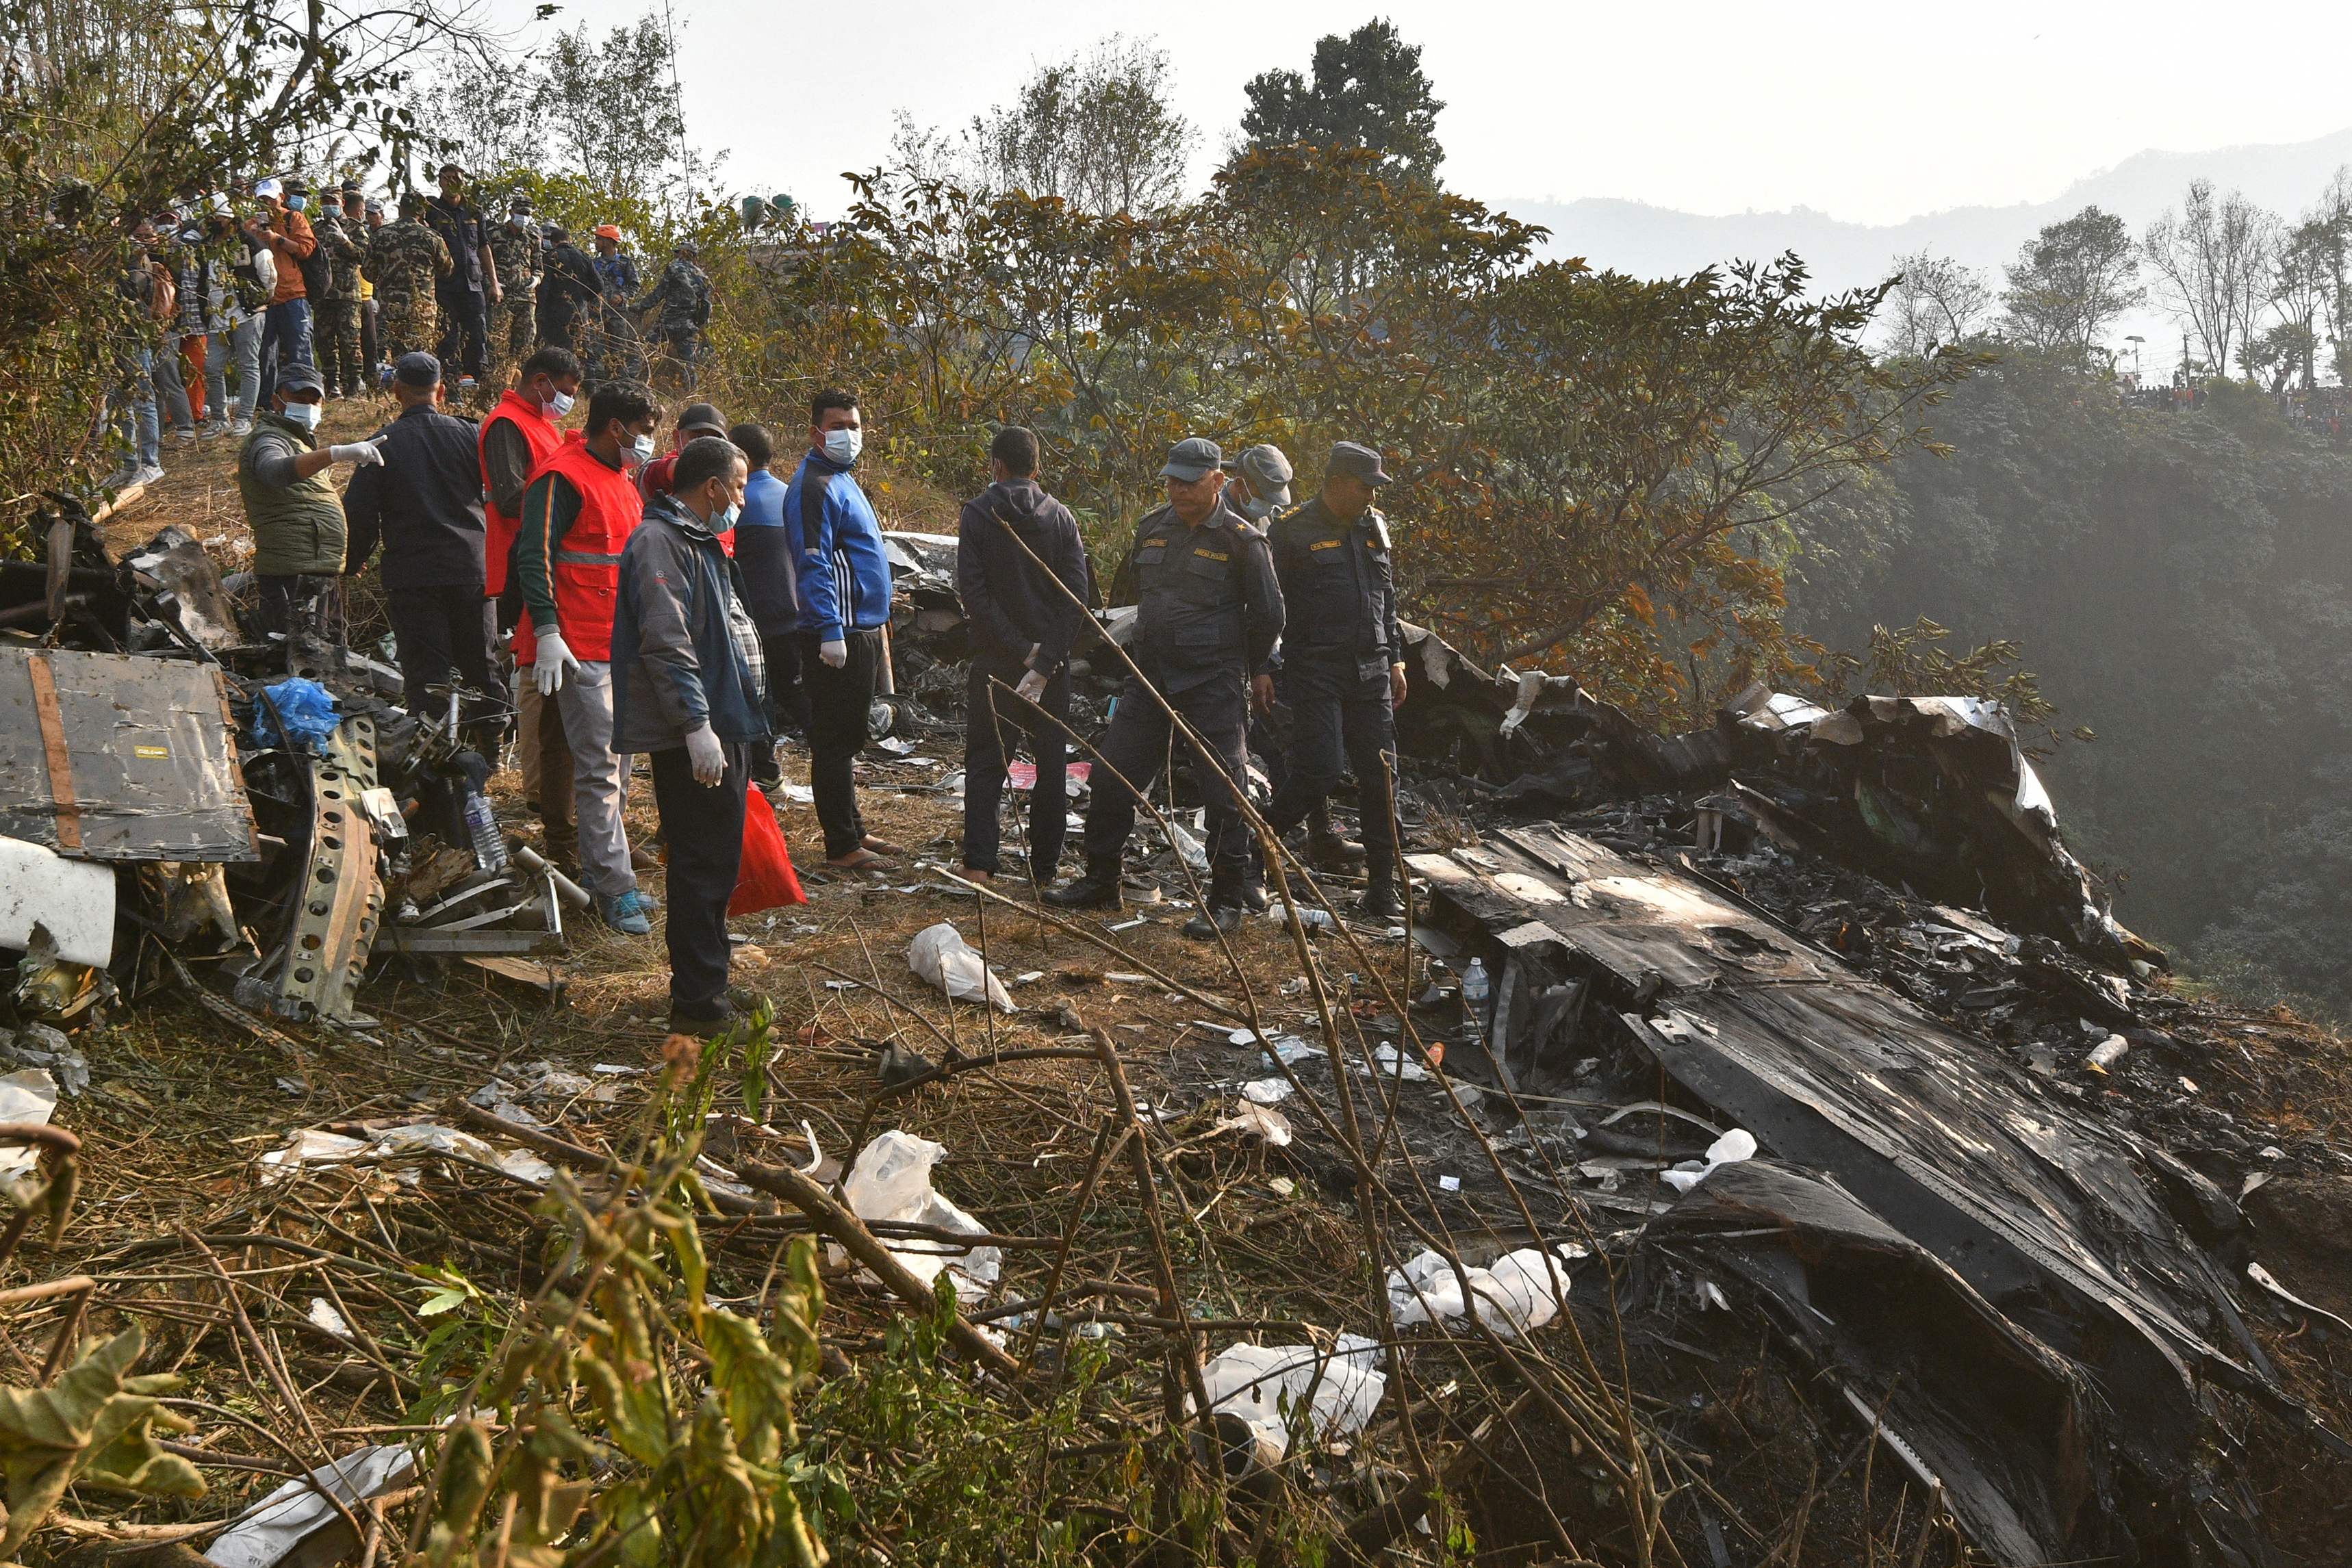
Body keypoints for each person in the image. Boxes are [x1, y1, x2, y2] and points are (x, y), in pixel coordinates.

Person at [1045, 437, 1283, 938]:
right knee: (1112, 780)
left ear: (1217, 481)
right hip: (1150, 681)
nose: (1176, 490)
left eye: (1188, 482)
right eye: (1171, 480)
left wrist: (1251, 665)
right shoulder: (1152, 528)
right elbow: (1135, 597)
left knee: (1225, 794)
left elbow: (1269, 615)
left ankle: (1225, 902)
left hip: (1212, 684)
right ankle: (1101, 880)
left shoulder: (1243, 541)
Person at [612, 435, 767, 1037]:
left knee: (717, 862)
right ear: (713, 488)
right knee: (701, 864)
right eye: (741, 483)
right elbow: (666, 641)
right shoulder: (660, 541)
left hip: (725, 722)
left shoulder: (698, 539)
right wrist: (696, 725)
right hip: (696, 735)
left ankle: (711, 979)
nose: (744, 497)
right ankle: (699, 1005)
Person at [514, 381, 662, 934]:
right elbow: (535, 555)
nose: (646, 443)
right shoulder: (561, 476)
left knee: (620, 769)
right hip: (578, 648)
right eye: (643, 432)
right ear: (615, 427)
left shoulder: (621, 480)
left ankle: (611, 871)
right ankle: (612, 888)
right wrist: (548, 631)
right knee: (599, 769)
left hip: (617, 645)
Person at [1260, 443, 1407, 918]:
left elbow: (1386, 594)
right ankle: (1255, 845)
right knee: (1320, 769)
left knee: (1381, 776)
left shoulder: (1371, 526)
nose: (1371, 495)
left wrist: (1397, 660)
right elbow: (1266, 604)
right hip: (1315, 668)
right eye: (1365, 486)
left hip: (1371, 670)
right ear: (1338, 481)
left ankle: (1383, 889)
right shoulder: (1291, 531)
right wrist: (1261, 664)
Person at [342, 352, 502, 742]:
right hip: (471, 568)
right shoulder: (472, 435)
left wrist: (350, 565)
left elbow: (359, 515)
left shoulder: (381, 445)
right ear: (441, 392)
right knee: (482, 665)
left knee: (426, 671)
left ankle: (429, 755)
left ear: (396, 391)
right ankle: (490, 748)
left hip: (414, 574)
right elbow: (503, 498)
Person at [956, 425, 1091, 886]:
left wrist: (1019, 650)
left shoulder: (977, 515)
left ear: (997, 465)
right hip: (1051, 671)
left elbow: (974, 595)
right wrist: (1047, 657)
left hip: (996, 662)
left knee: (987, 762)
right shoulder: (1061, 518)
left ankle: (979, 863)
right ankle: (1046, 869)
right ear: (1037, 468)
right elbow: (1077, 596)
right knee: (1051, 765)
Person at [781, 387, 899, 870]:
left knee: (848, 737)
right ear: (815, 432)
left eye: (854, 426)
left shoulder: (843, 478)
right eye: (838, 426)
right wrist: (829, 627)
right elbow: (814, 562)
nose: (848, 435)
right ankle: (841, 845)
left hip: (861, 629)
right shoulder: (814, 486)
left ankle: (854, 829)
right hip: (839, 634)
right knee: (833, 740)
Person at [480, 347, 584, 864]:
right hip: (525, 566)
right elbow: (509, 496)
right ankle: (542, 790)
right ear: (540, 381)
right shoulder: (506, 424)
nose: (567, 400)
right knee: (534, 677)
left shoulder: (543, 425)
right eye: (564, 389)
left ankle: (555, 791)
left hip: (550, 563)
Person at [234, 362, 383, 641]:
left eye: (313, 400)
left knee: (329, 660)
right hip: (292, 575)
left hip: (317, 572)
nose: (307, 406)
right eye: (298, 399)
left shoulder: (299, 442)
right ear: (276, 400)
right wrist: (336, 453)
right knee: (299, 659)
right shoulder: (269, 438)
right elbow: (274, 472)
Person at [729, 420, 808, 758]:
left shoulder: (739, 503)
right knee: (796, 697)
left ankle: (767, 772)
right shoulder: (790, 494)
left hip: (756, 621)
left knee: (758, 701)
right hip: (794, 617)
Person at [422, 163, 500, 389]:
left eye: (457, 178)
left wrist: (494, 283)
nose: (452, 182)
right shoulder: (431, 210)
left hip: (473, 284)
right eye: (448, 178)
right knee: (448, 336)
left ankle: (474, 381)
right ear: (440, 181)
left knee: (477, 335)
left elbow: (484, 247)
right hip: (444, 285)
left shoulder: (473, 211)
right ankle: (448, 383)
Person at [203, 196, 270, 436]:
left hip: (247, 315)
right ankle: (220, 420)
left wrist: (260, 301)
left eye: (217, 218)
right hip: (216, 317)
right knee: (212, 367)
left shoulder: (249, 243)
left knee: (248, 365)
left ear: (229, 219)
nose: (213, 222)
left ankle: (244, 418)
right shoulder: (207, 245)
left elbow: (267, 274)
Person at [246, 176, 316, 406]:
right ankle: (266, 402)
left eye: (271, 199)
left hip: (292, 295)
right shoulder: (250, 224)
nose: (267, 204)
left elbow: (306, 249)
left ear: (281, 198)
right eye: (262, 199)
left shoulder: (293, 218)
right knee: (263, 354)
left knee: (299, 351)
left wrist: (277, 239)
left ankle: (306, 400)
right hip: (264, 299)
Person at [368, 193, 452, 362]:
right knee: (421, 358)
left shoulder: (381, 235)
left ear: (400, 210)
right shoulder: (432, 237)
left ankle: (391, 387)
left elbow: (368, 272)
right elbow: (447, 270)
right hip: (422, 309)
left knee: (391, 359)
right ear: (421, 212)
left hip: (390, 308)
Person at [311, 181, 366, 398]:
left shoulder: (354, 228)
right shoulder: (315, 229)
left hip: (347, 294)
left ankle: (353, 385)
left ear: (342, 203)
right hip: (323, 295)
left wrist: (345, 241)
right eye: (324, 202)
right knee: (325, 342)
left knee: (350, 341)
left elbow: (363, 255)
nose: (328, 206)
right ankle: (332, 384)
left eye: (332, 202)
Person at [632, 239, 710, 390]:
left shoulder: (674, 268)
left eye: (677, 252)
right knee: (689, 366)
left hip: (666, 323)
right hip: (687, 327)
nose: (675, 255)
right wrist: (698, 323)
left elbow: (658, 293)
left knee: (642, 352)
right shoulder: (703, 277)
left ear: (684, 253)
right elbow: (706, 305)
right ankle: (690, 396)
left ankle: (635, 386)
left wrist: (640, 307)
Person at [485, 195, 541, 379]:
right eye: (520, 213)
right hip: (501, 296)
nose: (523, 217)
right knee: (498, 341)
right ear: (511, 212)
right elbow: (484, 262)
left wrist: (536, 279)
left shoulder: (533, 237)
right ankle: (498, 381)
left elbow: (538, 268)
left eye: (527, 214)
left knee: (525, 342)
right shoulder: (494, 234)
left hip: (526, 298)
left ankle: (520, 382)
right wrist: (491, 283)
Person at [587, 224, 643, 385]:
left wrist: (622, 296)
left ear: (609, 242)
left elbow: (635, 285)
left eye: (599, 239)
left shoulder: (625, 263)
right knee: (594, 350)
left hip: (617, 314)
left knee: (618, 351)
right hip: (596, 314)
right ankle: (596, 387)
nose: (596, 242)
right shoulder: (593, 263)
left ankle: (617, 386)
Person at [637, 400, 728, 499]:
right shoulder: (657, 470)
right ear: (677, 438)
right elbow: (668, 470)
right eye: (698, 437)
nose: (707, 446)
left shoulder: (723, 475)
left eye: (714, 441)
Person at [537, 224, 602, 359]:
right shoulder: (584, 257)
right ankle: (588, 380)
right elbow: (599, 285)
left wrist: (541, 311)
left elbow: (544, 288)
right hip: (580, 312)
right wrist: (584, 298)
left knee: (558, 353)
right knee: (582, 351)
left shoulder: (550, 257)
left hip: (556, 314)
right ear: (569, 240)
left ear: (553, 243)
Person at [1227, 444, 1293, 528]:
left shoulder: (1274, 517)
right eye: (1264, 497)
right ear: (1239, 485)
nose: (1269, 506)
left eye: (1273, 500)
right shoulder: (1213, 515)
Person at [358, 197, 385, 376]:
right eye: (367, 213)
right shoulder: (363, 233)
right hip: (367, 286)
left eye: (373, 214)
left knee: (380, 332)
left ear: (381, 215)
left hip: (385, 287)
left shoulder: (387, 234)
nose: (370, 217)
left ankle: (380, 365)